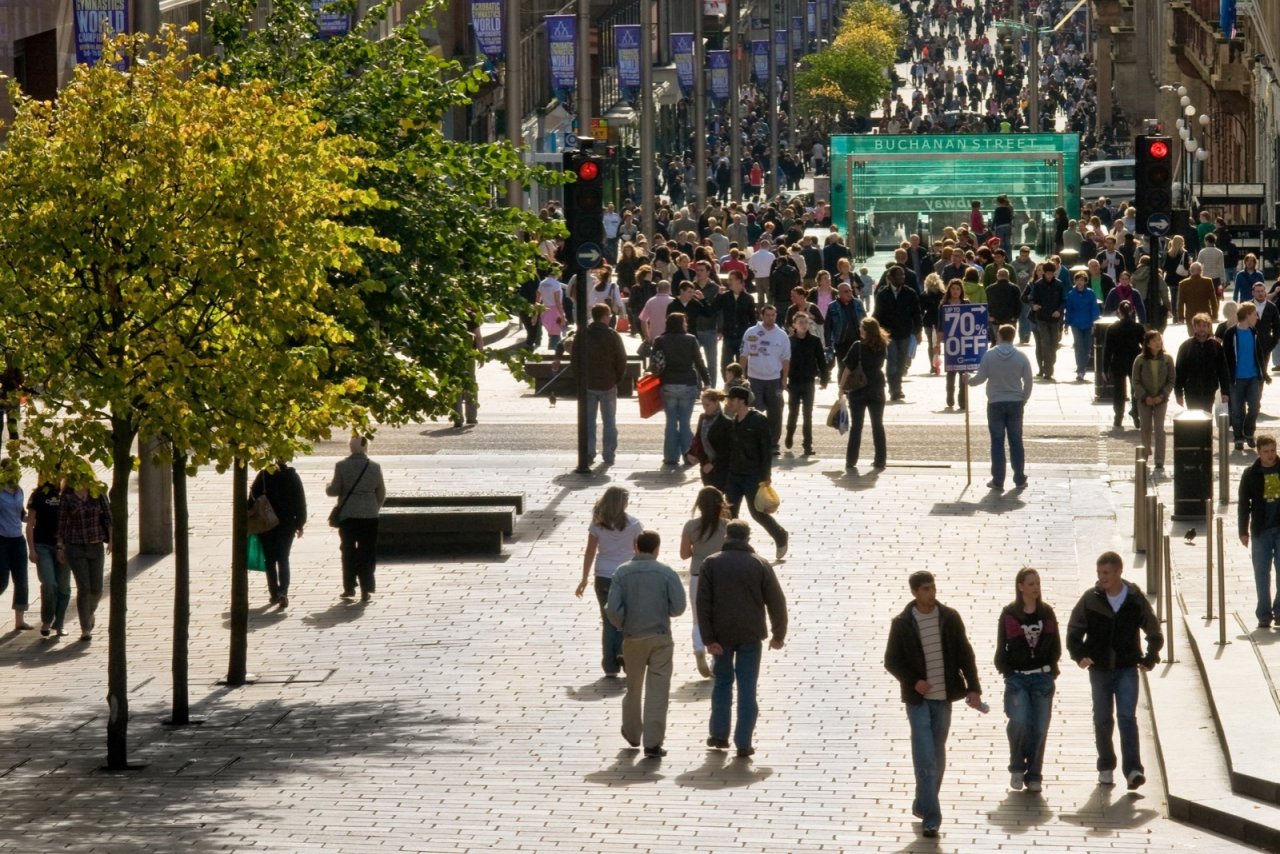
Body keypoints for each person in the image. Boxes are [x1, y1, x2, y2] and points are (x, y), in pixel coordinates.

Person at [883, 570, 983, 839]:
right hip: (918, 702)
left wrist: (973, 688)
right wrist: (914, 681)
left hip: (943, 698)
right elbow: (891, 660)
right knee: (925, 757)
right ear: (915, 592)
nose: (931, 593)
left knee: (937, 757)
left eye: (933, 587)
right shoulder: (903, 623)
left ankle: (922, 802)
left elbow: (965, 653)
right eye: (925, 589)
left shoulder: (949, 618)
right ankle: (932, 818)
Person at [1067, 551, 1163, 790]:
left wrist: (1151, 656)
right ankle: (1106, 766)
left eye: (1106, 573)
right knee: (1102, 719)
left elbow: (1153, 629)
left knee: (1126, 718)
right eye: (1099, 573)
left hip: (1126, 668)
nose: (1102, 578)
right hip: (1099, 670)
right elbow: (1073, 632)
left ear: (1119, 571)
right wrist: (1079, 656)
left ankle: (1133, 770)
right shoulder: (1090, 599)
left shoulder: (1134, 598)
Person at [697, 519, 788, 758]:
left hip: (720, 636)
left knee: (722, 684)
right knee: (747, 688)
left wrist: (708, 638)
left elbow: (703, 604)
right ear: (748, 538)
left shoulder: (711, 563)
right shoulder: (760, 564)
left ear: (726, 536)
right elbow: (777, 603)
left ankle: (719, 735)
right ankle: (744, 742)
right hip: (750, 635)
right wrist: (779, 634)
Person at [605, 529, 686, 759]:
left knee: (633, 687)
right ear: (657, 549)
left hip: (633, 637)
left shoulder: (622, 572)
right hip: (660, 636)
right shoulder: (667, 573)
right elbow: (678, 607)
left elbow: (612, 609)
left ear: (636, 547)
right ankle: (653, 743)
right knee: (658, 691)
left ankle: (632, 733)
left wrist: (623, 623)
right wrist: (665, 611)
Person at [994, 567, 1062, 793]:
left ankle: (1034, 774)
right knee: (1020, 721)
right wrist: (1007, 670)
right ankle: (1016, 766)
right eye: (1031, 583)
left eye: (1038, 583)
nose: (1036, 587)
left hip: (1042, 678)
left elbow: (1055, 645)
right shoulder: (1009, 614)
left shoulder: (1047, 613)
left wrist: (1050, 669)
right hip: (1017, 679)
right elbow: (1001, 646)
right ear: (1020, 586)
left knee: (1040, 727)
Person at [576, 486, 644, 677]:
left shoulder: (598, 524)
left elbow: (590, 551)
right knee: (627, 618)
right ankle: (625, 654)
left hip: (603, 576)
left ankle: (610, 665)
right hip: (627, 575)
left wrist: (584, 578)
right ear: (623, 503)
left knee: (607, 621)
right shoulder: (633, 524)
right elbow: (639, 551)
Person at [722, 386, 789, 560]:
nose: (728, 403)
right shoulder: (733, 420)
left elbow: (766, 450)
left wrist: (766, 477)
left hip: (753, 475)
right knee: (730, 513)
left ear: (741, 401)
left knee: (758, 512)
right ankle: (733, 548)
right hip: (734, 474)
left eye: (731, 399)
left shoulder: (758, 420)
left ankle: (780, 535)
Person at [968, 324, 1034, 491]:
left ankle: (998, 480)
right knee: (1016, 441)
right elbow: (1028, 381)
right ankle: (1019, 478)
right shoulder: (1021, 357)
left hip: (995, 402)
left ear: (999, 336)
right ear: (1013, 337)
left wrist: (968, 380)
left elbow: (980, 378)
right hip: (1015, 402)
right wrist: (1023, 398)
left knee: (997, 442)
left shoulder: (989, 355)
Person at [326, 435, 386, 603]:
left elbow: (334, 490)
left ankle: (349, 586)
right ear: (366, 447)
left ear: (350, 447)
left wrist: (327, 487)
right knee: (367, 551)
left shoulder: (341, 466)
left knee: (348, 550)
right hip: (370, 516)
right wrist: (374, 507)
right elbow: (381, 492)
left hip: (348, 515)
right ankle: (367, 588)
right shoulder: (375, 467)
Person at [680, 487, 730, 678]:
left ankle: (698, 648)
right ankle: (715, 659)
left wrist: (697, 552)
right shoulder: (727, 525)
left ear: (699, 505)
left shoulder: (691, 526)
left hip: (697, 574)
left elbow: (684, 554)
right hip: (721, 576)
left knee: (698, 618)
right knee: (718, 619)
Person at [57, 476, 111, 642]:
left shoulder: (97, 492)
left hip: (95, 546)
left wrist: (112, 540)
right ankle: (85, 628)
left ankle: (89, 612)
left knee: (97, 589)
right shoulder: (67, 496)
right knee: (84, 587)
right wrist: (59, 546)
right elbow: (62, 523)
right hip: (75, 546)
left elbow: (109, 517)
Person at [653, 312, 710, 466]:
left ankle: (671, 457)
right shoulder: (690, 339)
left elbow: (655, 364)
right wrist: (707, 381)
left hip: (668, 383)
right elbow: (699, 362)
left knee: (671, 421)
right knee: (685, 421)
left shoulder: (660, 340)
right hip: (688, 383)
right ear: (682, 324)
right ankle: (688, 456)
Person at [249, 460, 307, 610]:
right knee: (283, 559)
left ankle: (273, 592)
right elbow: (300, 501)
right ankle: (283, 592)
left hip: (266, 523)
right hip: (287, 524)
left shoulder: (263, 475)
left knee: (269, 560)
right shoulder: (292, 477)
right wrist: (300, 524)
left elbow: (252, 498)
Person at [1239, 435, 1280, 628]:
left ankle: (1279, 611)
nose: (1270, 455)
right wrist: (1243, 530)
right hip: (1261, 530)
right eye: (1266, 451)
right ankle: (1264, 614)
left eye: (1273, 450)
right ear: (1259, 452)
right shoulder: (1251, 474)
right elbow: (1243, 504)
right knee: (1261, 573)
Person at [740, 304, 791, 455]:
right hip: (754, 378)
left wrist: (784, 379)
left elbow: (786, 359)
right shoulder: (751, 332)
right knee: (754, 411)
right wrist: (741, 375)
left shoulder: (781, 335)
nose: (770, 317)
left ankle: (773, 443)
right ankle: (754, 441)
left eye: (773, 315)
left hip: (774, 379)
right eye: (767, 315)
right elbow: (743, 354)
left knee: (776, 411)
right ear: (762, 315)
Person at [583, 303, 628, 466]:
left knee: (588, 421)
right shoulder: (612, 335)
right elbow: (621, 359)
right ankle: (608, 454)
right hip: (608, 382)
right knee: (609, 421)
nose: (610, 318)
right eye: (609, 316)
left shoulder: (584, 334)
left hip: (587, 383)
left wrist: (580, 379)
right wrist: (617, 378)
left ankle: (588, 452)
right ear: (604, 317)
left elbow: (575, 359)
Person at [1223, 302, 1271, 451]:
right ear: (1247, 315)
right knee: (1237, 410)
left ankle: (1249, 432)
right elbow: (1225, 357)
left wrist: (1264, 373)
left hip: (1253, 377)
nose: (1257, 317)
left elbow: (1259, 354)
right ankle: (1238, 437)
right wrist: (1226, 379)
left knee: (1255, 406)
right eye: (1254, 314)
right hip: (1236, 378)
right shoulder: (1231, 333)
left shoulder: (1254, 332)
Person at [26, 471, 69, 638]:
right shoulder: (37, 495)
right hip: (42, 545)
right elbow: (30, 524)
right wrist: (31, 549)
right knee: (49, 584)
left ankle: (59, 624)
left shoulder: (66, 494)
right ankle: (46, 620)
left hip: (64, 545)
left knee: (63, 586)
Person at [873, 265, 923, 401]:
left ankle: (898, 386)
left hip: (905, 333)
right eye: (898, 275)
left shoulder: (910, 293)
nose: (901, 277)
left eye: (902, 275)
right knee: (892, 360)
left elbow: (916, 313)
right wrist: (875, 331)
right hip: (889, 334)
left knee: (901, 362)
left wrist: (918, 331)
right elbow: (877, 314)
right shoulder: (883, 294)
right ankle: (894, 389)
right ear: (890, 278)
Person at [1131, 330, 1175, 472]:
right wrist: (1145, 396)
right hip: (1145, 399)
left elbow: (1171, 380)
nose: (1158, 343)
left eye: (1159, 340)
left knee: (1159, 429)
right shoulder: (1140, 360)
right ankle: (1145, 452)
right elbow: (1135, 381)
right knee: (1145, 427)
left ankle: (1159, 459)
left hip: (1161, 399)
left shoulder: (1167, 359)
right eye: (1155, 340)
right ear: (1148, 343)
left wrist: (1162, 395)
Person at [785, 313, 828, 456]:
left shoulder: (814, 341)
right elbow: (784, 362)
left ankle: (807, 445)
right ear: (794, 325)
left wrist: (824, 378)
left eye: (806, 322)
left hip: (809, 381)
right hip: (794, 382)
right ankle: (790, 434)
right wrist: (783, 379)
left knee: (807, 415)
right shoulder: (788, 341)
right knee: (793, 412)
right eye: (800, 322)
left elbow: (821, 360)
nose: (804, 325)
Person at [1175, 312, 1230, 414]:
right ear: (1194, 327)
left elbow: (1223, 370)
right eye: (1199, 326)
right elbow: (1179, 371)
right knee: (1193, 418)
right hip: (1191, 389)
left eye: (1204, 326)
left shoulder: (1216, 346)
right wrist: (1178, 393)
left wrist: (1225, 392)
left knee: (1206, 416)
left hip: (1209, 390)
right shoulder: (1186, 346)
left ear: (1209, 327)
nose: (1202, 328)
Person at [1102, 301, 1145, 429]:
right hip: (1134, 361)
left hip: (1118, 361)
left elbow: (1107, 350)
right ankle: (1136, 413)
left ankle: (1118, 417)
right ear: (1132, 311)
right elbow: (1145, 347)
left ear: (1118, 312)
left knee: (1119, 391)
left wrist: (1104, 368)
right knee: (1136, 389)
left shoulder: (1112, 328)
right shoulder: (1138, 327)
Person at [0, 460, 27, 631]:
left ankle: (20, 620)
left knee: (22, 580)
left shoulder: (20, 491)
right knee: (1, 580)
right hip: (1, 539)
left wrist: (32, 519)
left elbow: (21, 513)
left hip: (18, 539)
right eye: (10, 471)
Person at [1028, 262, 1064, 380]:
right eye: (1047, 273)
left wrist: (1059, 310)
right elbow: (1031, 298)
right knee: (1046, 342)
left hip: (1054, 319)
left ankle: (1049, 365)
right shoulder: (1038, 285)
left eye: (1051, 273)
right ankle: (1048, 371)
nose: (1049, 275)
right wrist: (1033, 306)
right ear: (1044, 273)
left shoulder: (1059, 284)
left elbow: (1063, 300)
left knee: (1054, 343)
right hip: (1042, 318)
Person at [938, 279, 969, 410]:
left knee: (963, 371)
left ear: (961, 291)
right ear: (949, 290)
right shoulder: (944, 305)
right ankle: (950, 395)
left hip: (964, 341)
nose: (955, 291)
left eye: (957, 289)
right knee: (951, 371)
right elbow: (940, 324)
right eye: (953, 289)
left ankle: (962, 399)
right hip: (950, 342)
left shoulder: (966, 303)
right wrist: (937, 343)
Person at [1065, 271, 1101, 382]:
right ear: (1075, 281)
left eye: (1082, 280)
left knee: (1087, 347)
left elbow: (1094, 309)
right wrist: (1066, 324)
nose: (1080, 282)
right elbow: (1069, 310)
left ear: (1085, 281)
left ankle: (1083, 367)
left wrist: (1095, 323)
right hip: (1076, 324)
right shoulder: (1071, 294)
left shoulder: (1091, 293)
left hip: (1088, 323)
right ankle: (1080, 370)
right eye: (1078, 280)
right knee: (1078, 346)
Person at [1176, 261, 1219, 333]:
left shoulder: (1183, 283)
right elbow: (1213, 300)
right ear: (1201, 271)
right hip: (1205, 315)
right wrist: (1215, 314)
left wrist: (1181, 317)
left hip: (1190, 315)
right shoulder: (1208, 281)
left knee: (1193, 337)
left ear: (1190, 271)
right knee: (1207, 335)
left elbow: (1180, 302)